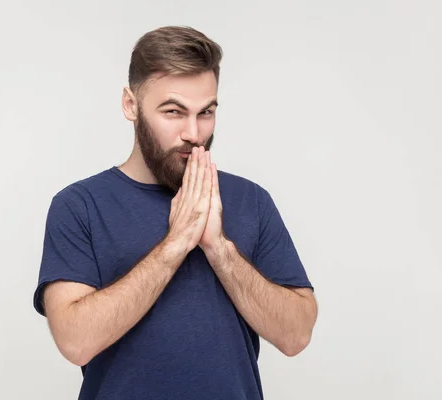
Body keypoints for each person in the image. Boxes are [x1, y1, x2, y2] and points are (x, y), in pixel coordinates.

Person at [33, 25, 318, 400]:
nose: (194, 133)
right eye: (173, 111)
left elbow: (296, 335)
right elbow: (75, 341)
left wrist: (219, 249)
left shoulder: (252, 201)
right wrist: (176, 244)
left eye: (206, 113)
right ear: (130, 104)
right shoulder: (80, 205)